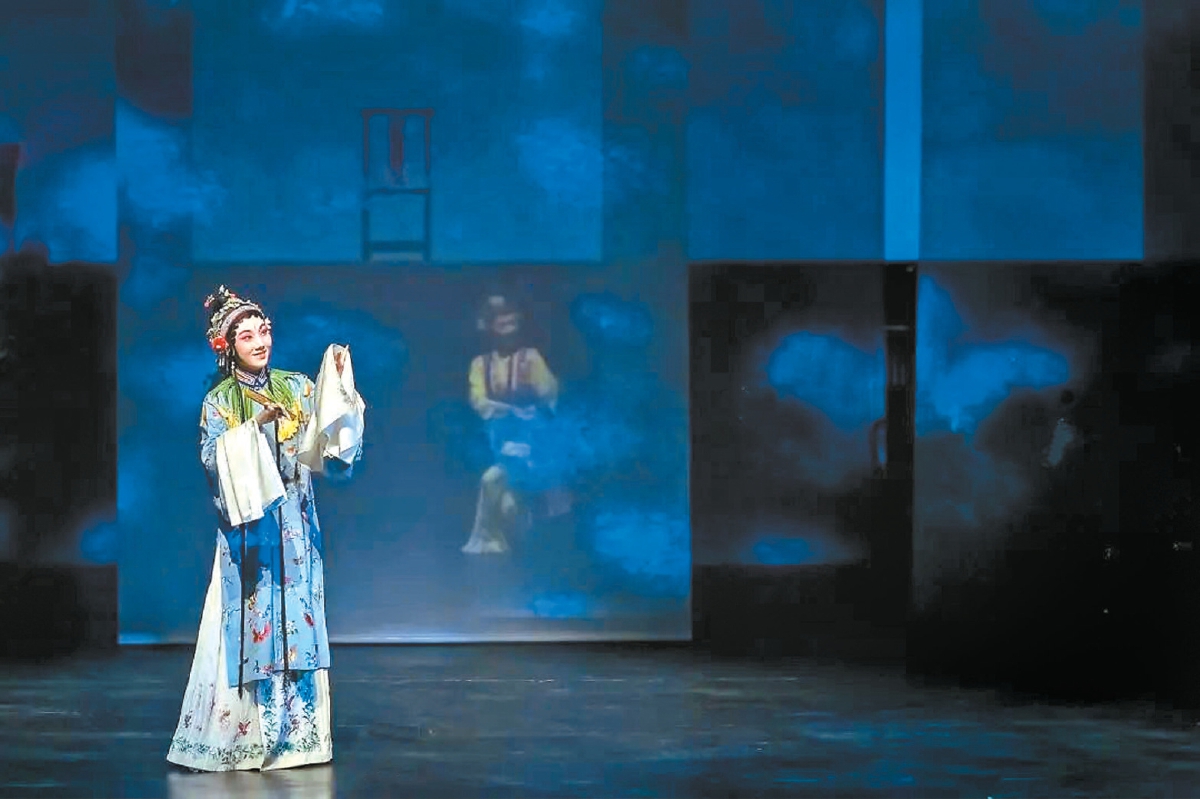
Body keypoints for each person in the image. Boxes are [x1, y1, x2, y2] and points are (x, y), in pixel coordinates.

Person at [167, 286, 364, 772]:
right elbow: (212, 461)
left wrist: (337, 379)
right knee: (250, 618)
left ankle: (300, 738)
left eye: (265, 331)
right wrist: (252, 430)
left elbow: (328, 433)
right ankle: (245, 738)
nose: (260, 342)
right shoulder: (220, 401)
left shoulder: (296, 386)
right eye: (248, 336)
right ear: (227, 346)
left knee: (297, 615)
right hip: (250, 536)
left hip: (295, 526)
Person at [461, 294, 564, 555]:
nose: (507, 322)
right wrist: (506, 410)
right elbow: (479, 400)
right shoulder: (481, 365)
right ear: (489, 325)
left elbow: (549, 396)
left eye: (511, 316)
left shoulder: (530, 359)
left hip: (533, 442)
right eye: (499, 317)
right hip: (501, 441)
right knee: (504, 499)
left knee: (498, 485)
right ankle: (494, 538)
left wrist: (530, 413)